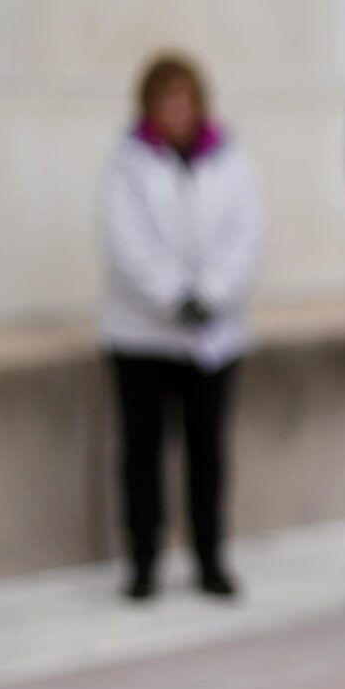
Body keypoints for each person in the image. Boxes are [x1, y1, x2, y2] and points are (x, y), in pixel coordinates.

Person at [98, 53, 264, 601]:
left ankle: (210, 557)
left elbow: (247, 233)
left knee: (207, 451)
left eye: (184, 99)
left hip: (213, 334)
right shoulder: (128, 163)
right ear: (148, 106)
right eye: (164, 100)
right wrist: (173, 296)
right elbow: (126, 243)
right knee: (142, 450)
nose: (176, 111)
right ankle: (143, 560)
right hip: (143, 333)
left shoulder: (229, 159)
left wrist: (212, 294)